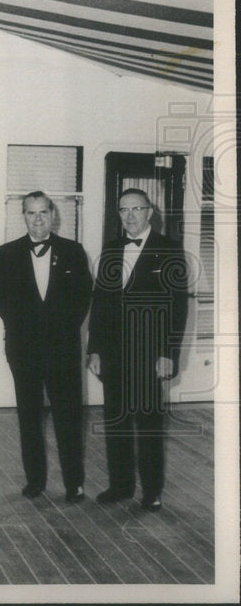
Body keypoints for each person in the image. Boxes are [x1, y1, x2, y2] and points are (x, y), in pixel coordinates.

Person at [87, 188, 188, 512]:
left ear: (150, 212)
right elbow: (99, 305)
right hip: (114, 356)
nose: (129, 216)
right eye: (123, 210)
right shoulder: (111, 250)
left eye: (136, 209)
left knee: (148, 427)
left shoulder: (169, 250)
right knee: (116, 423)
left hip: (150, 356)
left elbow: (178, 308)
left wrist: (168, 354)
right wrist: (95, 350)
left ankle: (151, 491)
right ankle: (120, 486)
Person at [0, 192, 92, 503]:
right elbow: (0, 298)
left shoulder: (73, 251)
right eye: (31, 213)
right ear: (23, 216)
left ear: (53, 215)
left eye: (43, 213)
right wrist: (25, 328)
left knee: (69, 416)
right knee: (29, 416)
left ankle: (74, 483)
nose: (38, 219)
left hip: (62, 348)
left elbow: (83, 297)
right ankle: (35, 481)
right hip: (23, 348)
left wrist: (59, 330)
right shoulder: (7, 253)